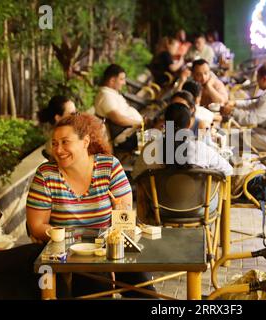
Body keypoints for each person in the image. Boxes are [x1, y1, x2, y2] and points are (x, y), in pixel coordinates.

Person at [26, 113, 154, 297]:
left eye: (65, 142)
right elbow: (36, 226)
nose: (59, 150)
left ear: (85, 141)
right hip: (69, 253)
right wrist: (82, 241)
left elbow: (124, 222)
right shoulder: (46, 175)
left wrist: (121, 214)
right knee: (95, 284)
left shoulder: (109, 167)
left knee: (145, 289)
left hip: (109, 249)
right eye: (55, 143)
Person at [131, 103, 233, 180]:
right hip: (200, 206)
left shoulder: (150, 148)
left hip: (159, 206)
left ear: (165, 123)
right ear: (189, 124)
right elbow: (228, 170)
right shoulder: (200, 148)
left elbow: (136, 175)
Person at [221, 62, 266, 152]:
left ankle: (239, 164)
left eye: (258, 79)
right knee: (232, 134)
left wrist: (231, 112)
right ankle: (240, 162)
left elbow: (250, 120)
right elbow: (256, 103)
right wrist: (235, 103)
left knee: (225, 139)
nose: (257, 82)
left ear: (264, 79)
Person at [94, 64, 143, 151]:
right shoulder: (106, 96)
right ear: (112, 80)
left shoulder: (110, 93)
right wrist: (140, 123)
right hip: (126, 138)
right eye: (121, 79)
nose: (124, 83)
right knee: (160, 134)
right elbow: (118, 119)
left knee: (162, 129)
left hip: (133, 132)